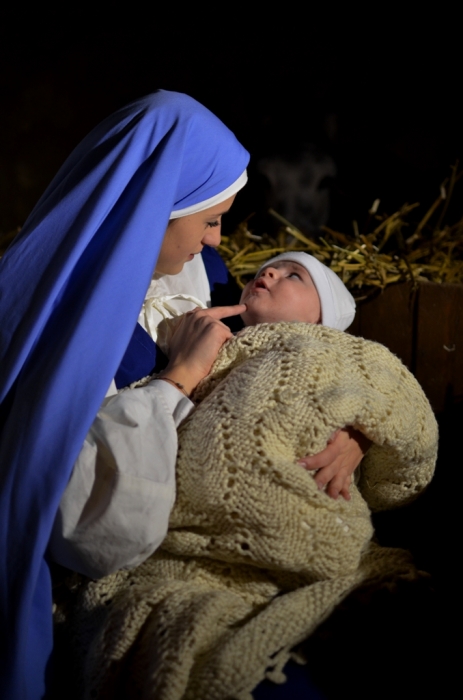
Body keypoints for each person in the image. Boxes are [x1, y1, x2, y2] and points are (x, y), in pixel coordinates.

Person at [0, 90, 364, 700]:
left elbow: (314, 342)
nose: (221, 241)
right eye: (210, 220)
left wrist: (352, 427)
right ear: (153, 212)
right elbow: (94, 531)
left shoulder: (198, 275)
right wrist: (177, 379)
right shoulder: (57, 320)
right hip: (120, 570)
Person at [71, 252, 438, 700]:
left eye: (293, 275)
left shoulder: (347, 353)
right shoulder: (206, 351)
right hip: (193, 542)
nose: (269, 273)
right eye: (268, 267)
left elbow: (412, 425)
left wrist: (365, 432)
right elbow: (150, 425)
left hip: (316, 531)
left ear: (324, 316)